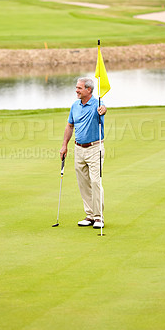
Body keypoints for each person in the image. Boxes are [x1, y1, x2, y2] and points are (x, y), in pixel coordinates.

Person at [60, 77, 107, 229]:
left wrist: (103, 111)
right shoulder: (75, 106)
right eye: (76, 87)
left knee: (95, 181)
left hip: (95, 148)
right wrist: (64, 146)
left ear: (89, 90)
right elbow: (69, 126)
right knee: (83, 183)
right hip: (78, 148)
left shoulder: (98, 104)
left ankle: (99, 217)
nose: (76, 90)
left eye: (79, 88)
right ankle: (90, 215)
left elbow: (103, 110)